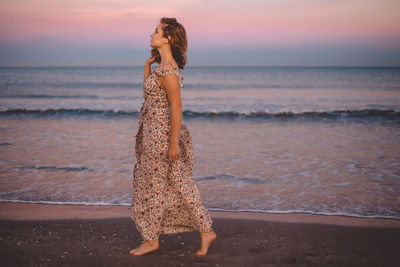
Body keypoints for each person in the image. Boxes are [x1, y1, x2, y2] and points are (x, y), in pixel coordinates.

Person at [128, 17, 217, 257]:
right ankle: (203, 230)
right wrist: (147, 66)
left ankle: (152, 239)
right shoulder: (163, 67)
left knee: (158, 186)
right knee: (170, 184)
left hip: (160, 135)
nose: (151, 34)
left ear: (167, 38)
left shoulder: (168, 71)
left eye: (156, 31)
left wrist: (173, 143)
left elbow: (176, 107)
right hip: (153, 133)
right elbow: (150, 96)